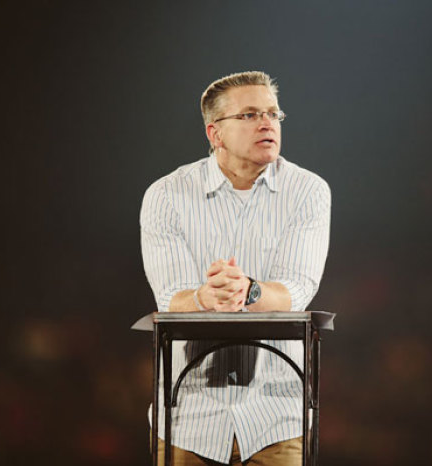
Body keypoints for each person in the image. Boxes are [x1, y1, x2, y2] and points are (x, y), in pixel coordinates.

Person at [140, 71, 331, 465]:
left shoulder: (309, 191)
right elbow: (169, 297)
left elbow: (297, 289)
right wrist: (203, 297)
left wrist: (250, 291)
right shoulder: (166, 196)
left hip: (276, 417)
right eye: (248, 115)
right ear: (215, 134)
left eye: (273, 114)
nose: (266, 123)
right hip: (187, 417)